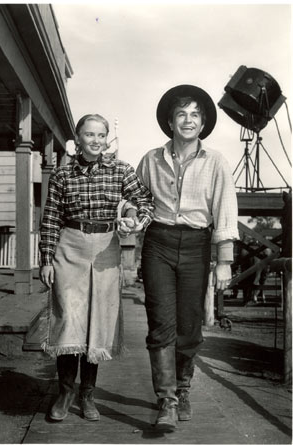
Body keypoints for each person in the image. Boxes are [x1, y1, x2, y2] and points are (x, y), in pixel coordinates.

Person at [125, 85, 239, 431]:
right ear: (170, 123)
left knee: (189, 325)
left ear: (202, 124)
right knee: (161, 322)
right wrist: (130, 218)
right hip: (158, 242)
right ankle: (167, 400)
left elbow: (225, 210)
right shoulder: (150, 159)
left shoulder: (216, 161)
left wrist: (224, 260)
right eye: (181, 114)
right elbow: (136, 200)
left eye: (194, 115)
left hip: (196, 244)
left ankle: (184, 387)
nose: (188, 121)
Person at [38, 113, 154, 423]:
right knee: (68, 320)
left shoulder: (121, 170)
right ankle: (65, 393)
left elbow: (145, 201)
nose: (96, 140)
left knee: (97, 323)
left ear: (106, 139)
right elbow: (50, 220)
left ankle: (88, 395)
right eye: (89, 135)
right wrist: (46, 260)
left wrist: (135, 223)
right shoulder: (62, 176)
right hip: (70, 247)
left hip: (105, 248)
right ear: (78, 139)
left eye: (101, 135)